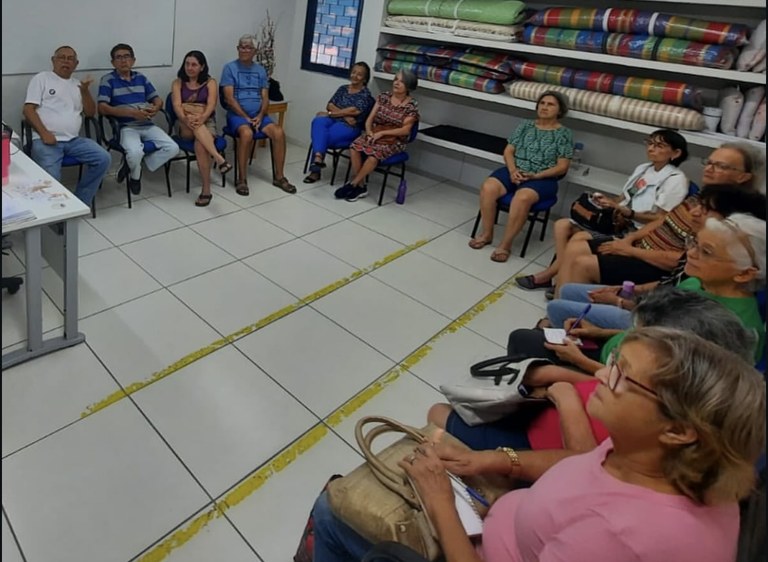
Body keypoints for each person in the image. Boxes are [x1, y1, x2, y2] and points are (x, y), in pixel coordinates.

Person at [310, 327, 766, 562]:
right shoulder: (656, 458)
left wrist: (440, 501)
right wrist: (488, 461)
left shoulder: (622, 538)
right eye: (614, 364)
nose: (602, 376)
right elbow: (581, 463)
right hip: (508, 521)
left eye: (622, 377)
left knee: (331, 509)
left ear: (680, 430)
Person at [427, 288, 756, 460]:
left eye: (621, 369)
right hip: (549, 410)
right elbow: (607, 381)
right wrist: (560, 375)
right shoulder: (652, 392)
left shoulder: (655, 432)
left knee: (438, 412)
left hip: (543, 442)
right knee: (523, 351)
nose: (604, 374)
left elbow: (580, 464)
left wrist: (566, 398)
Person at [553, 142, 763, 295]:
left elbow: (684, 260)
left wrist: (629, 250)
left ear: (744, 176)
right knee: (577, 245)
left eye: (721, 166)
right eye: (709, 163)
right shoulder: (702, 194)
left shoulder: (731, 218)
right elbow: (663, 220)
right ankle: (558, 299)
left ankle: (564, 317)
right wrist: (629, 240)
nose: (709, 168)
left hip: (655, 263)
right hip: (640, 244)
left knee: (582, 262)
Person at [547, 185, 767, 331]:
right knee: (568, 288)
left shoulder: (722, 321)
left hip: (641, 328)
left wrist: (620, 303)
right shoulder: (697, 279)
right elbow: (667, 287)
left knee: (560, 304)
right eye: (694, 245)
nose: (691, 253)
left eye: (706, 251)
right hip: (648, 309)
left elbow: (655, 335)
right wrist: (627, 291)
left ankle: (556, 333)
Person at [516, 129, 689, 291]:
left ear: (675, 153)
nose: (651, 148)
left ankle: (550, 276)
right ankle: (559, 275)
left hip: (634, 231)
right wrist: (607, 202)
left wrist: (627, 212)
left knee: (577, 237)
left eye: (659, 146)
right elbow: (624, 197)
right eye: (650, 143)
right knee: (561, 225)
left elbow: (660, 219)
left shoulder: (675, 180)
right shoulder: (644, 169)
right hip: (617, 220)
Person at [468, 91, 573, 263]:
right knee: (488, 187)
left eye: (550, 104)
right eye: (542, 103)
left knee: (522, 198)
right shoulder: (525, 125)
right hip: (515, 170)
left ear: (560, 110)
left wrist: (537, 175)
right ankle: (487, 234)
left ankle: (505, 244)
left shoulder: (564, 134)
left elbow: (563, 166)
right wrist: (512, 171)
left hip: (543, 177)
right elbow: (508, 151)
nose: (544, 107)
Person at [22, 46, 110, 207]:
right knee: (51, 179)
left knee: (103, 158)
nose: (66, 61)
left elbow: (90, 113)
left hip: (73, 140)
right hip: (45, 139)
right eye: (61, 57)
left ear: (76, 64)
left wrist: (85, 91)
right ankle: (54, 212)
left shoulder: (78, 85)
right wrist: (44, 133)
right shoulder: (42, 78)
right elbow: (28, 109)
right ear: (53, 60)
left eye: (70, 59)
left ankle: (80, 202)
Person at [97, 43, 179, 196]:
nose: (123, 60)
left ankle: (132, 165)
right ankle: (135, 176)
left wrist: (155, 108)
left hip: (146, 124)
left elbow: (157, 99)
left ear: (133, 60)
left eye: (127, 56)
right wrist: (131, 113)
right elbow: (102, 108)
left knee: (173, 148)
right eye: (119, 57)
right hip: (125, 126)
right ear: (113, 62)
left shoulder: (141, 78)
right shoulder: (108, 80)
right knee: (135, 152)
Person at [220, 34, 295, 196]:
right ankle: (242, 179)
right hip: (237, 115)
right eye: (241, 47)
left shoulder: (260, 70)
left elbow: (265, 97)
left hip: (258, 115)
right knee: (246, 134)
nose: (244, 50)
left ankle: (279, 177)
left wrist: (261, 115)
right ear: (237, 49)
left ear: (255, 51)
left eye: (248, 47)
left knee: (278, 132)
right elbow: (229, 99)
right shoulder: (229, 68)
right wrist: (246, 118)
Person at [333, 70, 419, 203]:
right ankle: (361, 186)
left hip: (394, 139)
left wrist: (382, 133)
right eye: (396, 79)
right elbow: (370, 119)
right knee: (354, 147)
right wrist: (369, 132)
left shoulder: (411, 105)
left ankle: (353, 184)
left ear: (408, 86)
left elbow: (405, 130)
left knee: (374, 155)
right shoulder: (383, 97)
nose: (396, 83)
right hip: (375, 133)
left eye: (401, 81)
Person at [170, 50, 232, 207]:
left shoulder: (211, 82)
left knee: (200, 145)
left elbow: (211, 105)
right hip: (184, 122)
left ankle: (206, 190)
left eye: (194, 65)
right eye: (187, 64)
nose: (190, 68)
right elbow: (177, 106)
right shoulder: (177, 83)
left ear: (202, 67)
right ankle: (219, 158)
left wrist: (202, 118)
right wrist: (186, 119)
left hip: (206, 120)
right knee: (195, 126)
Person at [303, 62, 374, 184]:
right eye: (353, 72)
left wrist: (331, 113)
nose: (355, 76)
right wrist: (344, 115)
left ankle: (316, 170)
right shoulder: (343, 89)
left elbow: (355, 111)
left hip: (349, 127)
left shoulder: (365, 94)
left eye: (359, 74)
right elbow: (329, 105)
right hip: (335, 120)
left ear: (365, 79)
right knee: (318, 121)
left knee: (321, 135)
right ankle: (318, 159)